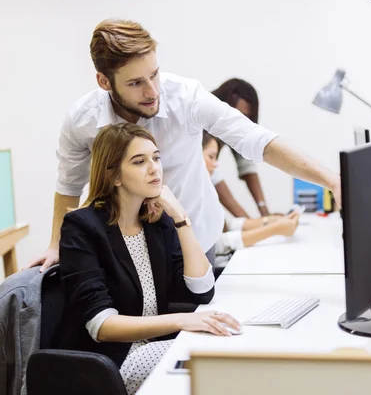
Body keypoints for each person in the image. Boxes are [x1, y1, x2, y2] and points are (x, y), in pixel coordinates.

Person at [27, 19, 341, 272]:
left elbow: (256, 140)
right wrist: (56, 245)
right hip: (126, 247)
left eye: (154, 74)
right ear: (104, 82)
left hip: (195, 237)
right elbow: (68, 186)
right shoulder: (82, 120)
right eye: (136, 83)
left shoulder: (186, 97)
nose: (152, 91)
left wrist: (331, 181)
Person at [57, 123, 240, 395]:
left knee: (226, 350)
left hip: (152, 346)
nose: (154, 168)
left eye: (156, 157)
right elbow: (101, 325)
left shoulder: (156, 221)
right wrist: (181, 321)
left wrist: (180, 217)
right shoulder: (82, 227)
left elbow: (201, 289)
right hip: (112, 361)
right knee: (221, 361)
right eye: (139, 161)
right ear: (114, 175)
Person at [201, 131, 300, 255]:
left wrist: (269, 221)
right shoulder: (189, 195)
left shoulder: (205, 189)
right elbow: (215, 245)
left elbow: (224, 225)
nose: (216, 165)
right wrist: (273, 229)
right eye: (211, 157)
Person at [210, 78, 273, 218]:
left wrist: (264, 214)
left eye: (246, 118)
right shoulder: (203, 128)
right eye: (238, 116)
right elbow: (212, 177)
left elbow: (247, 166)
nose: (240, 123)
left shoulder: (231, 129)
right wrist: (258, 224)